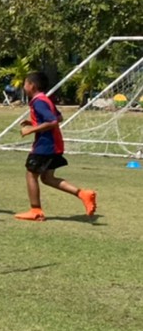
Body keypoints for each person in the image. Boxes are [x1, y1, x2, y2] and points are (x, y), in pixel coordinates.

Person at [16, 71, 97, 221]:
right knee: (47, 178)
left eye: (25, 83)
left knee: (31, 174)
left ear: (32, 86)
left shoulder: (38, 102)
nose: (24, 86)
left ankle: (36, 211)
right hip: (55, 144)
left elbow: (53, 121)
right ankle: (83, 194)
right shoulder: (45, 99)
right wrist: (34, 122)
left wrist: (31, 129)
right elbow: (58, 117)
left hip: (45, 145)